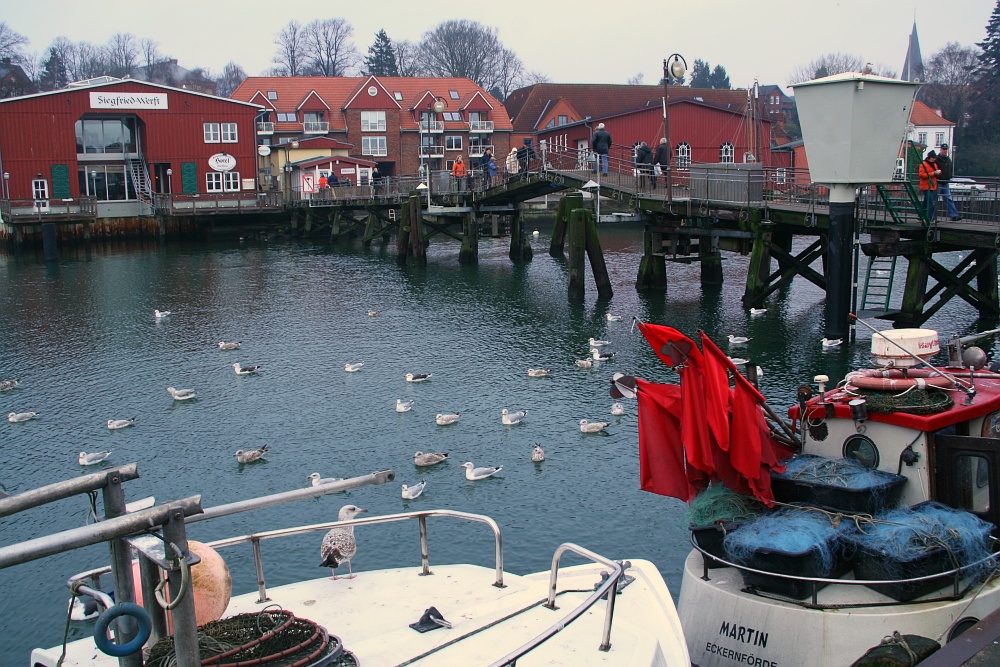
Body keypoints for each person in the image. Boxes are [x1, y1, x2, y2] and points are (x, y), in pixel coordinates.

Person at [935, 143, 960, 221]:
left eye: (946, 149)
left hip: (945, 182)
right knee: (934, 200)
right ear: (940, 150)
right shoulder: (937, 159)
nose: (945, 151)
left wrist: (949, 177)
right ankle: (931, 217)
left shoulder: (948, 159)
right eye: (943, 149)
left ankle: (954, 215)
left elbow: (950, 169)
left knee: (948, 199)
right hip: (938, 182)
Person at [918, 150, 941, 222]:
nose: (934, 159)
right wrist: (933, 174)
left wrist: (939, 173)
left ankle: (921, 216)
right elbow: (921, 175)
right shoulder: (923, 164)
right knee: (930, 202)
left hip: (932, 186)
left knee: (926, 202)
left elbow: (935, 173)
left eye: (935, 158)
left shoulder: (934, 164)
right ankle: (931, 218)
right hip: (926, 186)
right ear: (929, 157)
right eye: (933, 158)